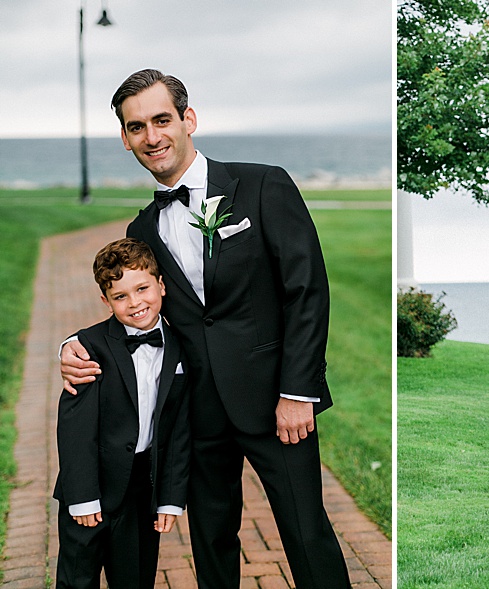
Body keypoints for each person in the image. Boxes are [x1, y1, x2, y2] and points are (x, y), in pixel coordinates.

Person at [60, 69, 349, 588]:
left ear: (188, 119)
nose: (152, 136)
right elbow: (137, 310)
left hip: (276, 401)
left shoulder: (263, 185)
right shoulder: (141, 230)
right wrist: (73, 345)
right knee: (211, 540)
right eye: (136, 127)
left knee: (306, 533)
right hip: (195, 410)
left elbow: (307, 291)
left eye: (162, 120)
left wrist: (298, 392)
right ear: (125, 138)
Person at [55, 238, 190, 589]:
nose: (135, 303)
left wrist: (170, 499)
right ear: (106, 301)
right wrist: (82, 497)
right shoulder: (88, 349)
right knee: (77, 578)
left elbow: (178, 430)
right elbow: (75, 430)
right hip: (92, 485)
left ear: (161, 284)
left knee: (136, 578)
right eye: (120, 296)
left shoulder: (181, 347)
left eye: (142, 288)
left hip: (142, 492)